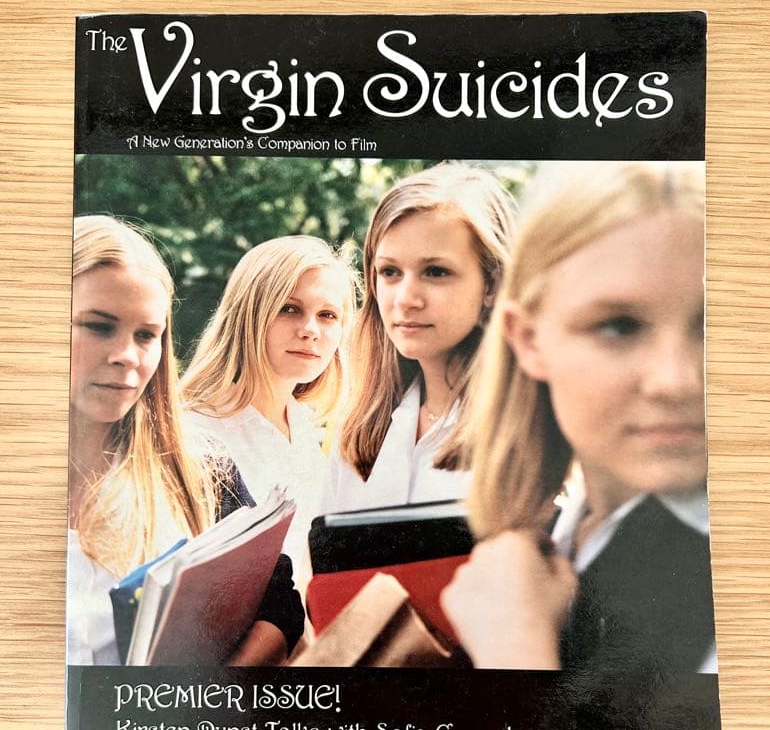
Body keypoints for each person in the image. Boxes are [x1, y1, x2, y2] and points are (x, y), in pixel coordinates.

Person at [440, 162, 723, 730]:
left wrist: (515, 660)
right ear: (528, 338)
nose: (677, 380)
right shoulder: (551, 533)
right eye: (619, 326)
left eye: (718, 323)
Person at [67, 215, 302, 666]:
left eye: (146, 335)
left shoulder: (201, 468)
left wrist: (208, 692)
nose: (127, 356)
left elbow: (280, 604)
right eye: (98, 326)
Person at [324, 162, 516, 512]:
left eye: (436, 272)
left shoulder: (523, 430)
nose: (405, 299)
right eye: (390, 271)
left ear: (491, 284)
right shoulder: (359, 429)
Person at [181, 236, 356, 585]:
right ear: (249, 315)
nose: (310, 330)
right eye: (289, 309)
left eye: (327, 315)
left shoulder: (304, 429)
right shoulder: (197, 433)